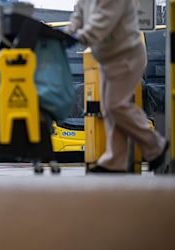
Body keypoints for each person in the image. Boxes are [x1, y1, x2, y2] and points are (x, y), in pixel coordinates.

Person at [66, 0, 169, 173]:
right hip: (108, 59)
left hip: (127, 56)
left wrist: (77, 38)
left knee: (116, 105)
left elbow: (102, 23)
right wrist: (68, 32)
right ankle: (115, 162)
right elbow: (79, 14)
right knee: (110, 109)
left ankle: (155, 145)